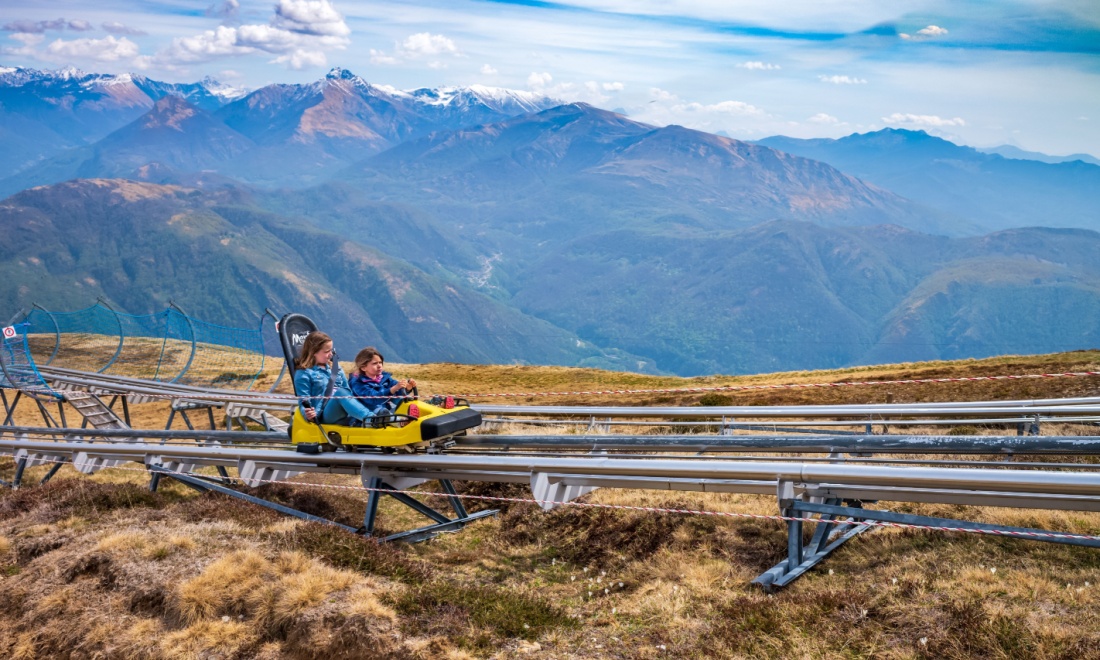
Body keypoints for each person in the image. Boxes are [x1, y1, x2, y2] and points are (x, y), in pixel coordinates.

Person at [293, 331, 374, 426]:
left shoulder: (337, 368)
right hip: (323, 414)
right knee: (340, 393)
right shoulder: (304, 373)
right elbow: (303, 400)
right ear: (313, 352)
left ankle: (377, 415)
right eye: (327, 352)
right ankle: (371, 419)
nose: (331, 354)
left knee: (350, 391)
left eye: (331, 350)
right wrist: (308, 414)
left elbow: (347, 390)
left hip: (344, 407)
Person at [349, 346, 418, 418]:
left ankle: (410, 415)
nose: (379, 366)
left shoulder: (383, 378)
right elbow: (373, 399)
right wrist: (393, 389)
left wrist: (407, 388)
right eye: (375, 363)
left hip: (385, 410)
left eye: (380, 362)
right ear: (363, 367)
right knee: (384, 413)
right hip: (370, 414)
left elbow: (396, 389)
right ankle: (403, 421)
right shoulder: (358, 383)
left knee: (402, 401)